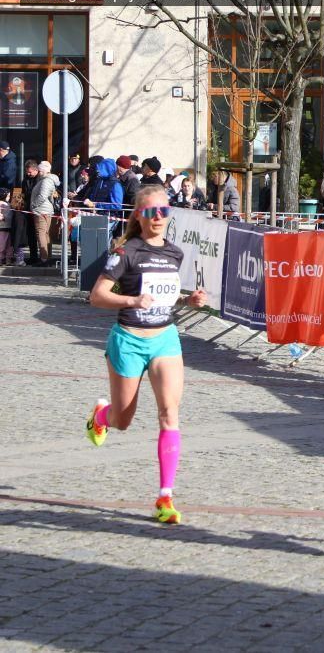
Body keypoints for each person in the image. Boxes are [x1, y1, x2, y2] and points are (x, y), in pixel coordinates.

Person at [85, 185, 207, 524]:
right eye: (151, 212)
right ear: (139, 215)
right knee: (123, 421)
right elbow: (97, 296)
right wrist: (132, 301)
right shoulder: (126, 252)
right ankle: (102, 416)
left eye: (163, 212)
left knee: (170, 412)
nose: (158, 218)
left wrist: (188, 301)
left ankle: (165, 497)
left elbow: (164, 297)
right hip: (129, 339)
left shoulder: (174, 253)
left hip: (164, 339)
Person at [29, 161, 57, 267]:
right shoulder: (46, 180)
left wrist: (33, 205)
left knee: (41, 233)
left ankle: (44, 258)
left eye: (40, 171)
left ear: (44, 171)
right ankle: (47, 258)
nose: (39, 173)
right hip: (45, 210)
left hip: (41, 210)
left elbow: (42, 196)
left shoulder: (46, 181)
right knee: (45, 234)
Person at [0, 187, 12, 265]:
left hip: (6, 227)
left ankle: (7, 259)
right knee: (4, 244)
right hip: (3, 227)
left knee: (7, 244)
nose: (9, 197)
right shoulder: (4, 204)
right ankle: (4, 259)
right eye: (8, 196)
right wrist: (2, 217)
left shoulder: (8, 204)